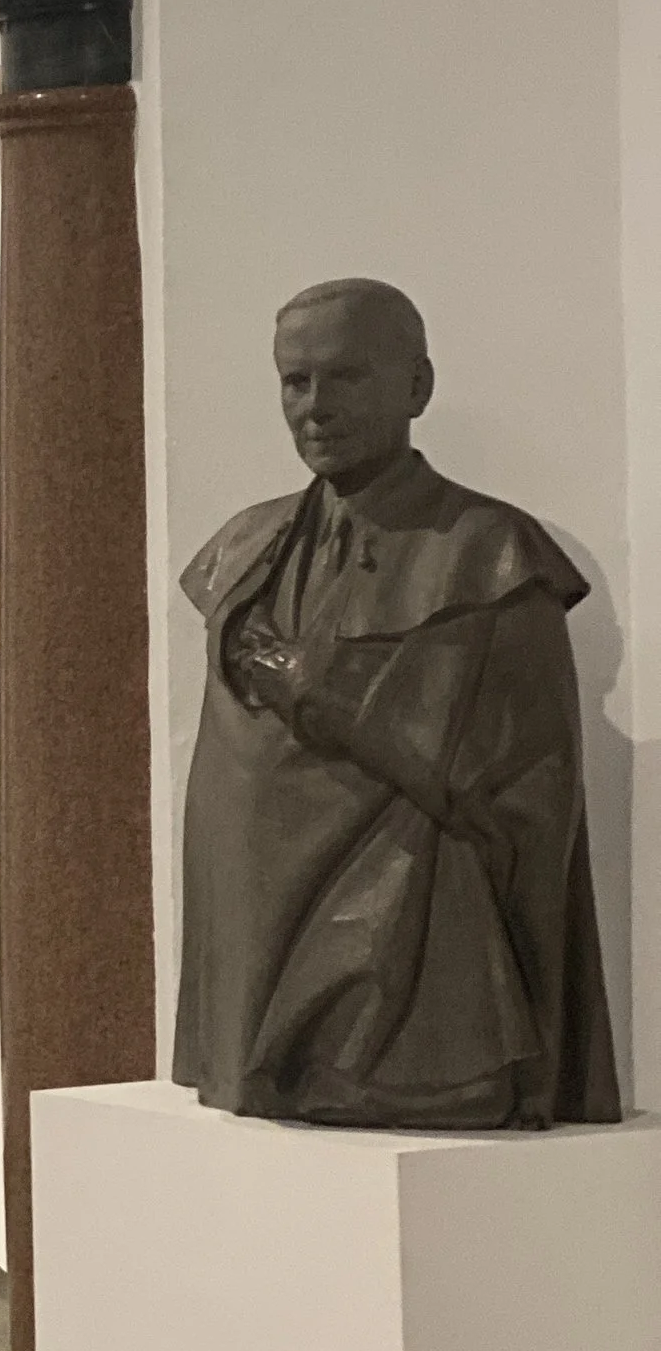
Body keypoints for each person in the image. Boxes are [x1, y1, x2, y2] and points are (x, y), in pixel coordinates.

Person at [174, 278, 620, 1129]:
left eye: (346, 377)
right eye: (295, 382)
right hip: (256, 937)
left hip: (412, 954)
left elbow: (529, 791)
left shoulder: (491, 554)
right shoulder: (241, 548)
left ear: (417, 386)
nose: (316, 407)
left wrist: (324, 691)